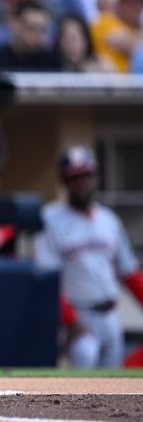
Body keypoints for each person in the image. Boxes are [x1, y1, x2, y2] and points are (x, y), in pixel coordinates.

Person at [34, 146, 143, 368]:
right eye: (74, 177)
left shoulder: (108, 220)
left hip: (111, 314)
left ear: (96, 177)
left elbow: (129, 272)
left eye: (86, 176)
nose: (81, 183)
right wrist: (70, 321)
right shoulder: (50, 219)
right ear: (64, 181)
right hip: (78, 314)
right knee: (85, 361)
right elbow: (47, 278)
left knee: (114, 388)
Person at [0, 0, 62, 72]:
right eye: (31, 28)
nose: (36, 34)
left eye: (42, 29)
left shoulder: (53, 64)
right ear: (15, 24)